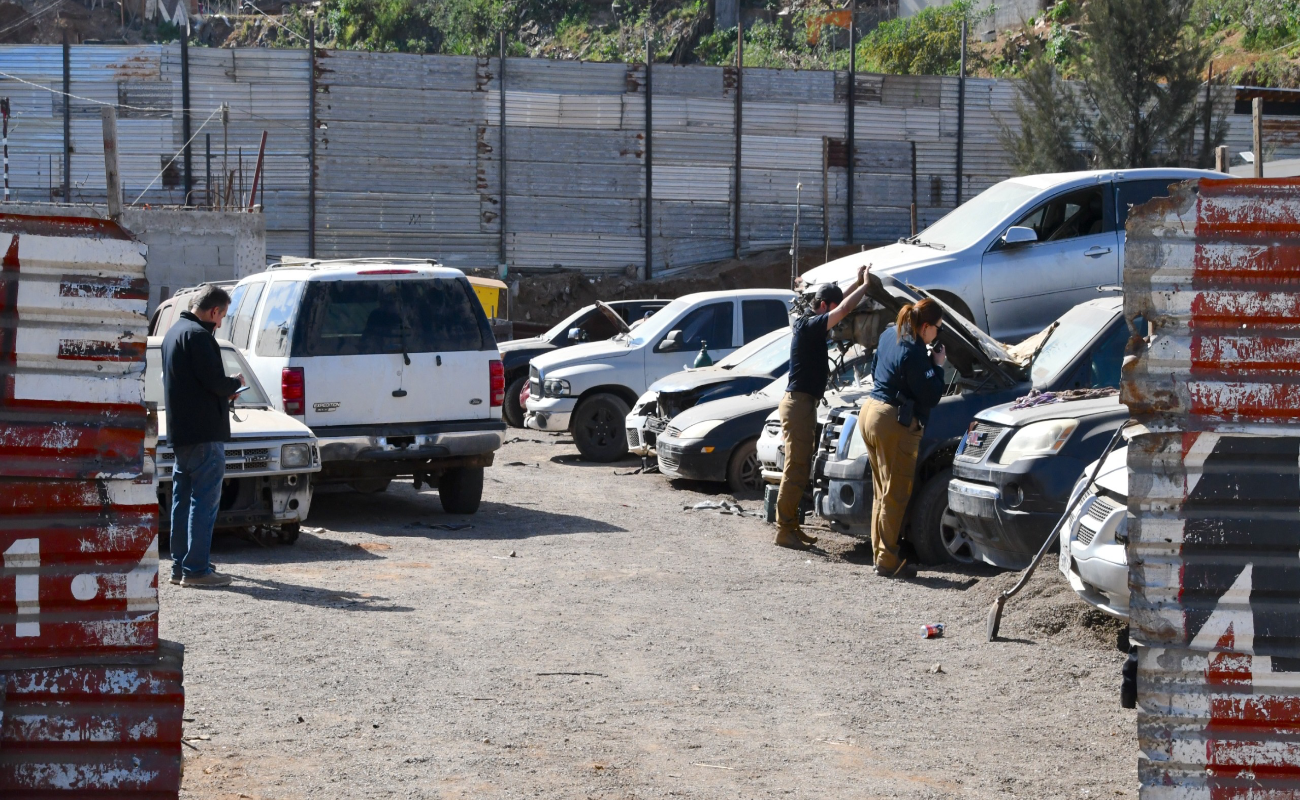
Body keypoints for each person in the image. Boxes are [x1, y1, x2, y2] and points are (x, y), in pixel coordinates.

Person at [774, 264, 873, 550]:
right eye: (831, 307)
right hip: (799, 404)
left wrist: (856, 284)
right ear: (824, 305)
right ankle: (784, 529)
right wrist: (866, 286)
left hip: (803, 404)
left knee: (800, 468)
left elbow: (839, 305)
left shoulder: (811, 323)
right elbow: (842, 310)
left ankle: (792, 526)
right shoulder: (809, 324)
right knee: (795, 469)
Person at [161, 284, 245, 588]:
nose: (220, 323)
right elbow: (213, 382)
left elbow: (194, 385)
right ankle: (196, 570)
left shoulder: (173, 334)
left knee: (182, 501)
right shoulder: (198, 337)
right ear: (213, 311)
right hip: (204, 435)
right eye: (222, 316)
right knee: (203, 501)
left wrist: (222, 391)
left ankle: (180, 567)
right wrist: (233, 384)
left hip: (182, 434)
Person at [858, 298, 947, 578]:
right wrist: (938, 366)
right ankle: (886, 560)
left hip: (870, 411)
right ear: (925, 327)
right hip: (892, 421)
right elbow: (931, 395)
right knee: (895, 493)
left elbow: (875, 370)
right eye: (937, 329)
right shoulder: (915, 353)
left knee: (881, 491)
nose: (938, 334)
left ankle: (881, 554)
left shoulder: (889, 333)